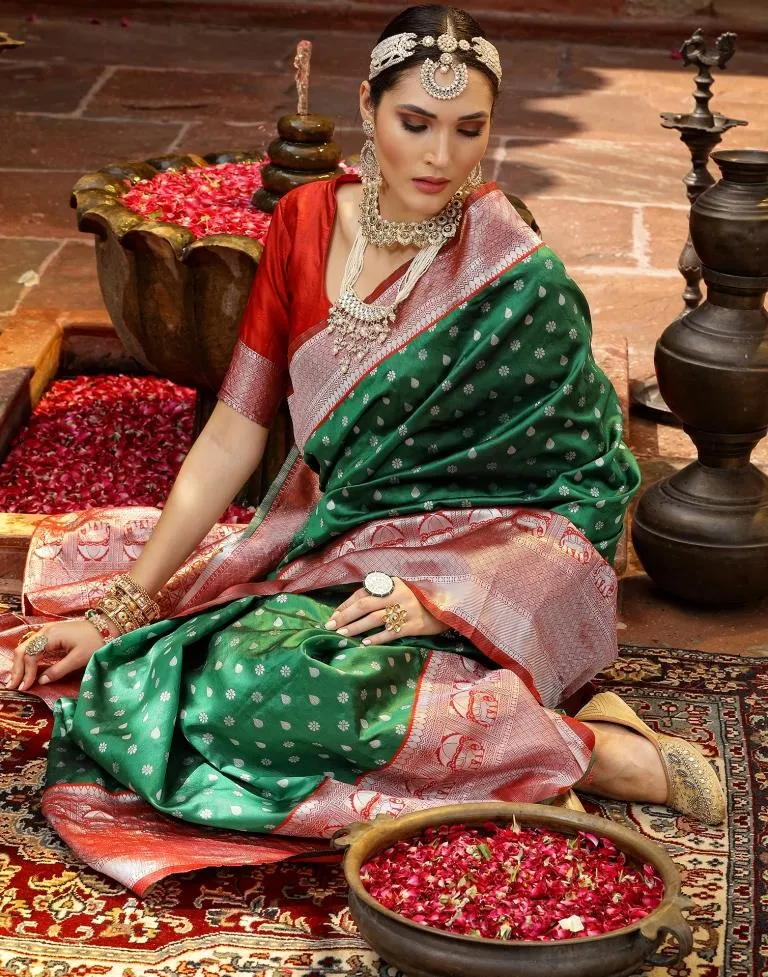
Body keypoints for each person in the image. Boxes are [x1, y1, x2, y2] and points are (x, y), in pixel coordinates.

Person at [0, 4, 724, 895]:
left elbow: (590, 483)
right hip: (337, 547)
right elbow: (233, 432)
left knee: (264, 696)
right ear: (366, 108)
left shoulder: (516, 274)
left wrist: (447, 597)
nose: (439, 157)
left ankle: (583, 748)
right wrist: (120, 609)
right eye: (414, 123)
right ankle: (552, 744)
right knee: (194, 679)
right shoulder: (304, 222)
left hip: (479, 579)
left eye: (469, 130)